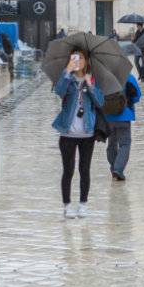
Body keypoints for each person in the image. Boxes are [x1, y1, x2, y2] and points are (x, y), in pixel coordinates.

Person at [52, 49, 104, 218]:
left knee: (85, 170)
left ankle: (83, 204)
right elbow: (59, 91)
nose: (77, 61)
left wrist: (90, 85)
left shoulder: (93, 79)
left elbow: (100, 102)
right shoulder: (67, 78)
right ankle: (67, 206)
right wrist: (67, 71)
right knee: (68, 170)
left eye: (81, 57)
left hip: (87, 133)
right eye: (74, 57)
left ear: (86, 60)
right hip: (68, 133)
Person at [105, 72, 141, 181]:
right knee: (125, 144)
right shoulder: (128, 76)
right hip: (124, 116)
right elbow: (137, 96)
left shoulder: (104, 77)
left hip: (108, 116)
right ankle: (118, 169)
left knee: (111, 144)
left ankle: (114, 168)